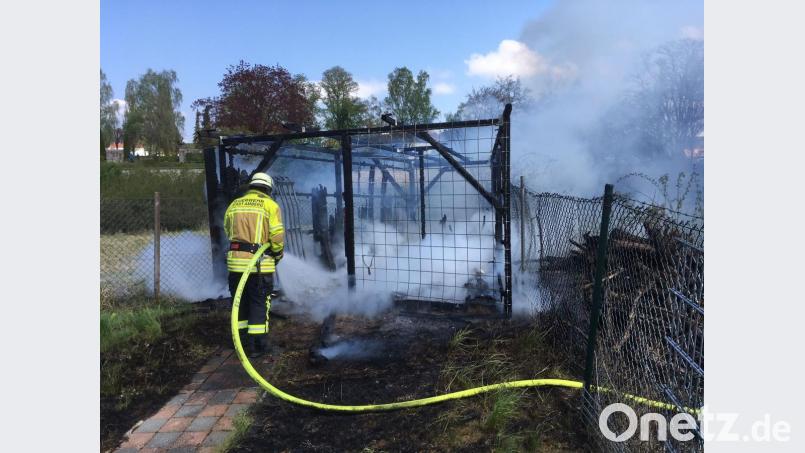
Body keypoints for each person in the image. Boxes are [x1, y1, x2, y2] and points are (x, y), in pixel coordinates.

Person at [223, 172, 284, 358]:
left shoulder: (234, 205)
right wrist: (277, 253)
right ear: (268, 188)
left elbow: (227, 229)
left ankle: (239, 341)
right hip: (259, 265)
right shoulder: (270, 205)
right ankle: (258, 346)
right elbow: (277, 236)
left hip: (235, 264)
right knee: (259, 303)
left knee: (239, 302)